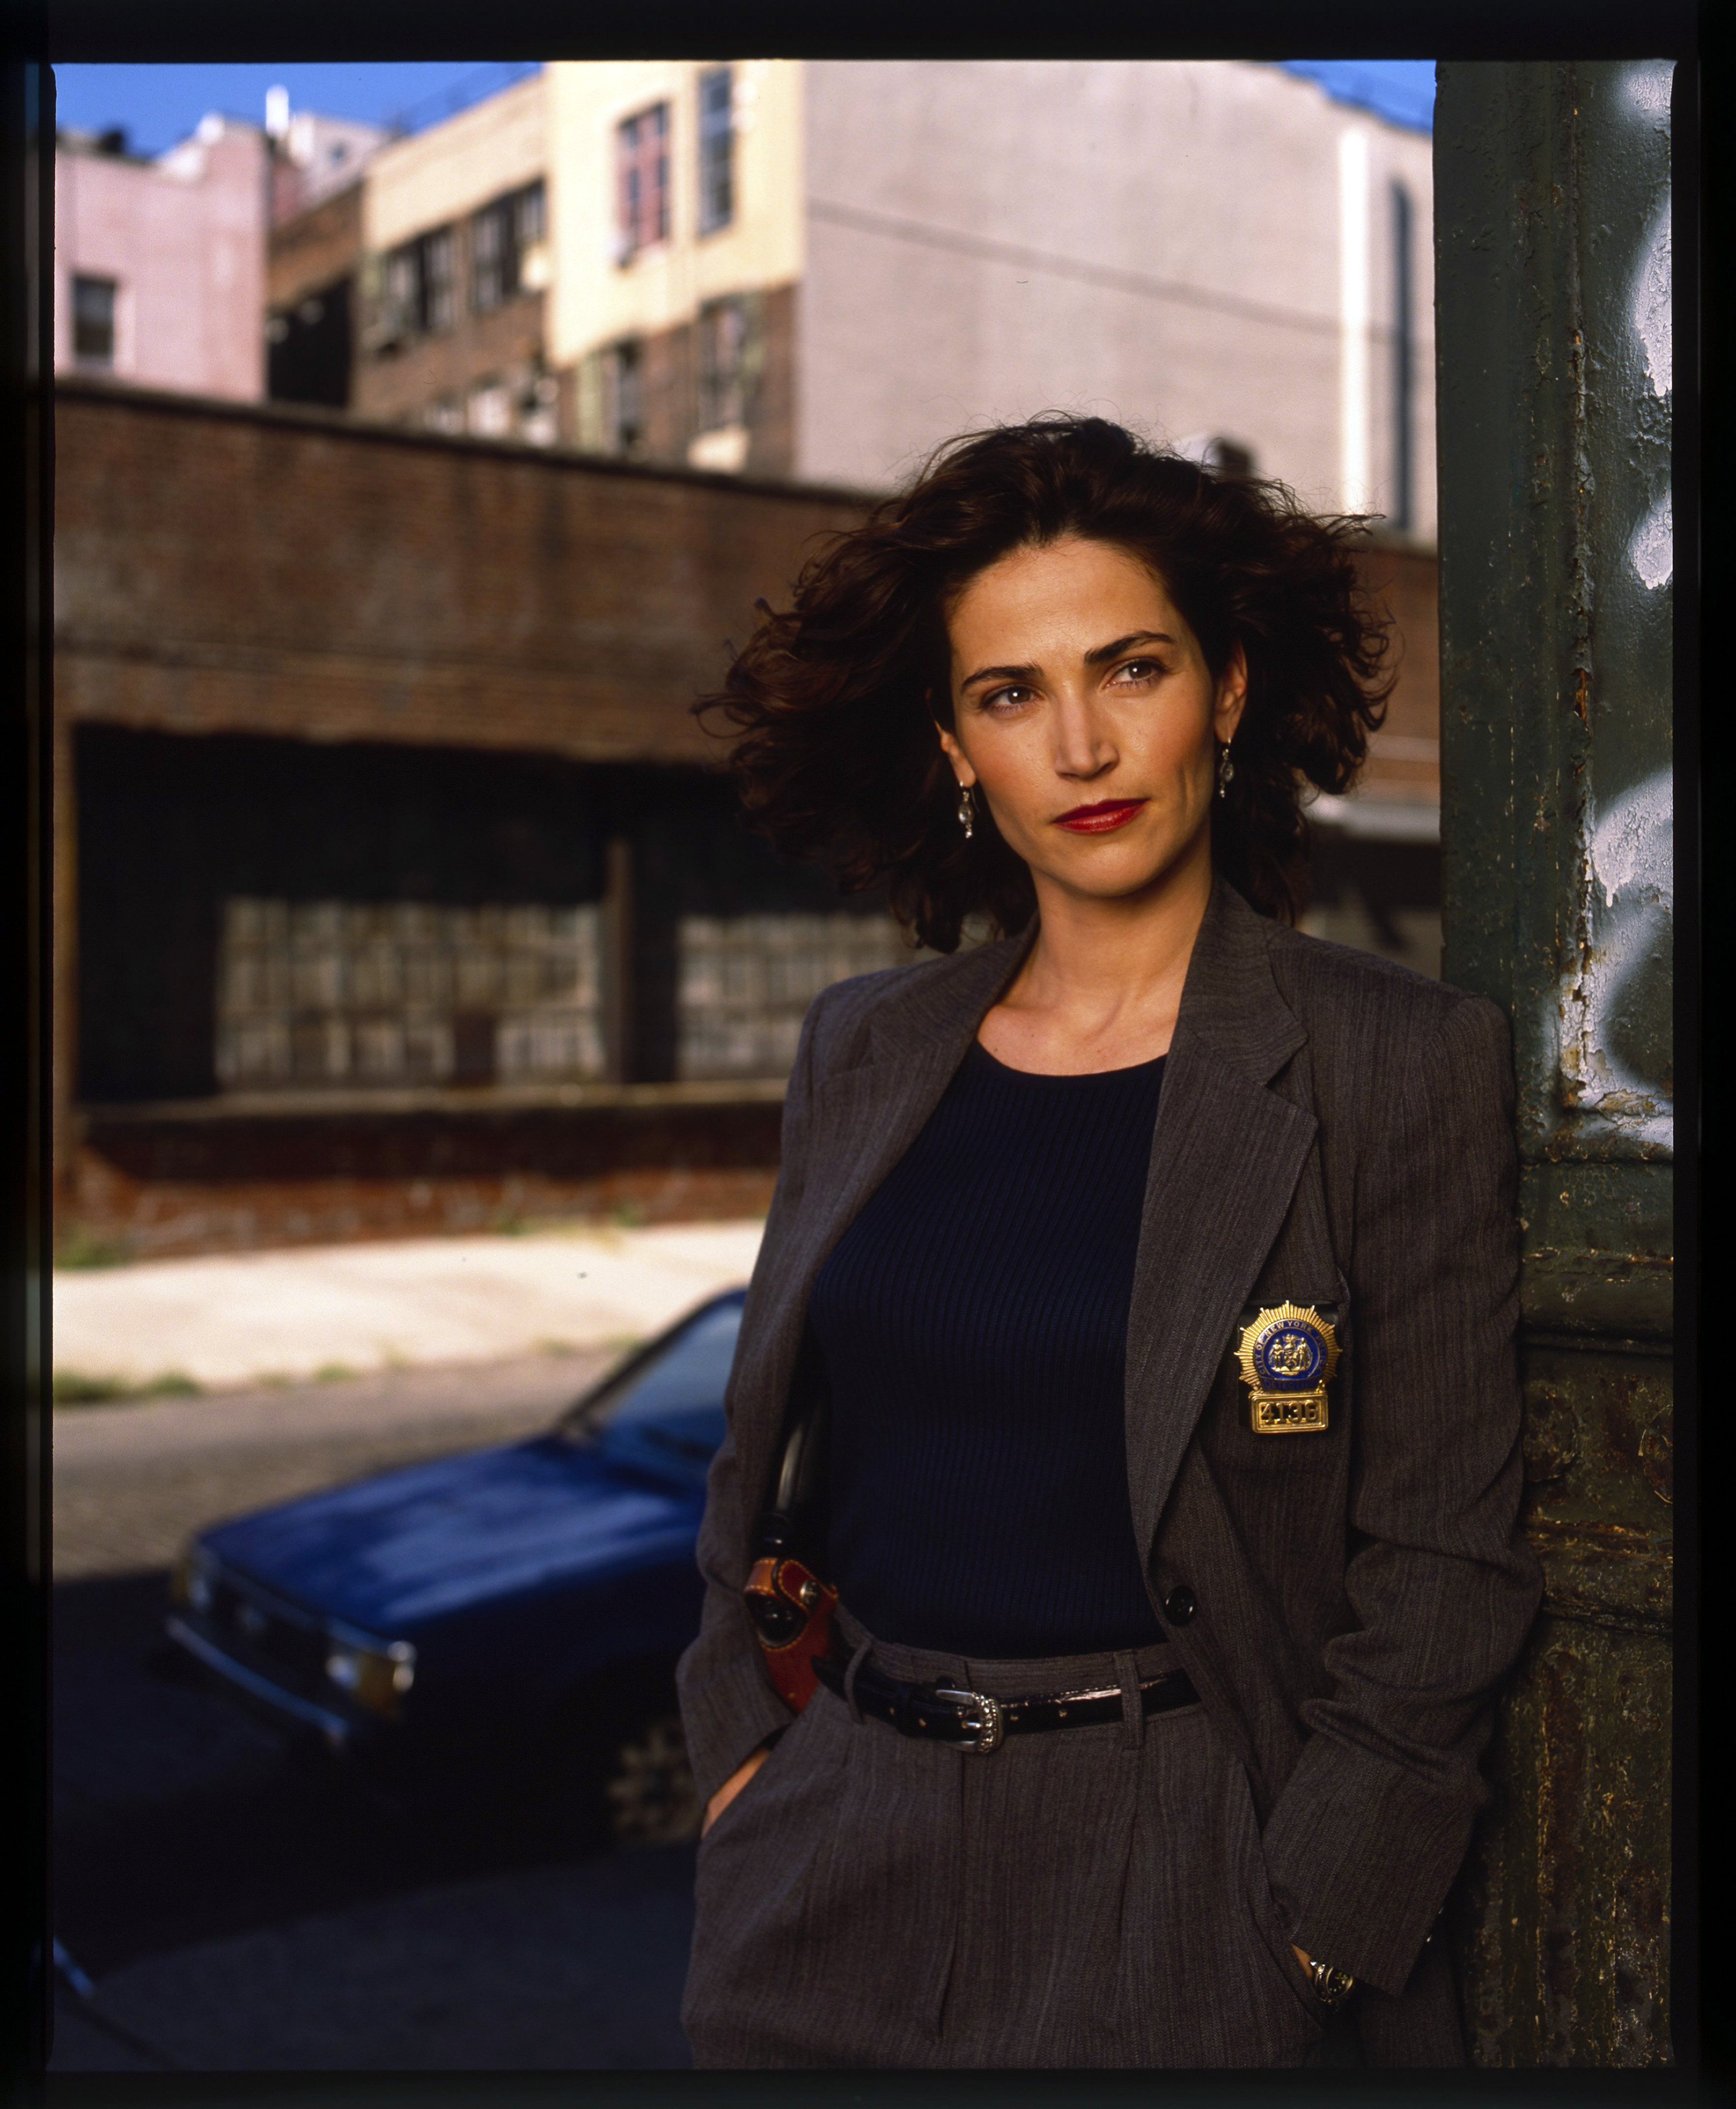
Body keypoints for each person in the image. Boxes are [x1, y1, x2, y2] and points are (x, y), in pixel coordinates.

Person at [673, 415, 1541, 2070]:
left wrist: (1307, 1924)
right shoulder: (861, 1045)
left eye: (1128, 669)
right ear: (950, 744)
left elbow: (1444, 1562)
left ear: (1221, 692)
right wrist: (742, 1774)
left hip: (1191, 1884)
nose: (1080, 745)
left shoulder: (1392, 1059)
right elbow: (755, 1461)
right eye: (1010, 695)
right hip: (832, 1854)